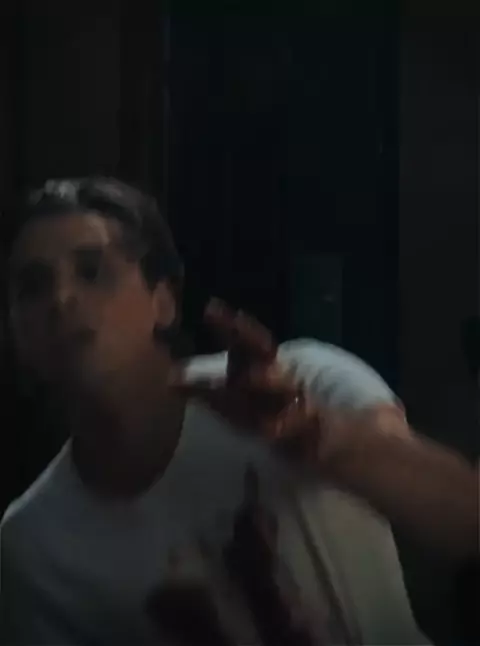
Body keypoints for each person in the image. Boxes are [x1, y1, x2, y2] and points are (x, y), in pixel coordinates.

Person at [0, 177, 427, 645]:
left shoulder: (303, 379)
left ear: (163, 301)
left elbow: (444, 501)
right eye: (32, 287)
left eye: (92, 271)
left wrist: (327, 438)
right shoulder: (32, 545)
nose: (60, 300)